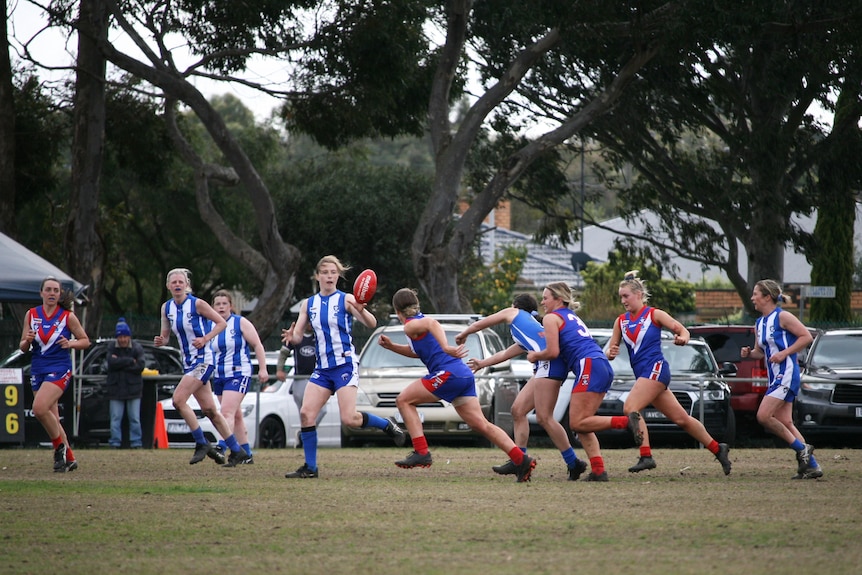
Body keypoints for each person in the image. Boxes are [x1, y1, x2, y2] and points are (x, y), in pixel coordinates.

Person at [383, 288, 537, 482]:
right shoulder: (415, 326)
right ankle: (520, 460)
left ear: (397, 310)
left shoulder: (410, 325)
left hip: (449, 373)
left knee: (403, 400)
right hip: (461, 374)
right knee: (481, 424)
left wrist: (447, 347)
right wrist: (392, 347)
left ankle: (421, 452)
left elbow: (432, 323)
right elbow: (418, 351)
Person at [281, 255, 405, 479]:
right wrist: (292, 336)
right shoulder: (308, 304)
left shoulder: (346, 299)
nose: (329, 276)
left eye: (333, 272)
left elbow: (372, 323)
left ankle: (386, 424)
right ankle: (310, 468)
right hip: (322, 369)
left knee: (350, 419)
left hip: (344, 365)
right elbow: (298, 336)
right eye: (325, 272)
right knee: (306, 414)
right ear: (317, 276)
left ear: (338, 276)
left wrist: (361, 309)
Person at [607, 270, 732, 475]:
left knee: (631, 407)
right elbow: (611, 349)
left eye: (626, 296)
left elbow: (682, 330)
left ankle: (646, 456)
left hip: (656, 370)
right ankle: (719, 449)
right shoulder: (620, 321)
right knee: (682, 419)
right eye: (620, 297)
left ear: (638, 295)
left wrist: (682, 337)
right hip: (645, 376)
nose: (623, 300)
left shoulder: (654, 314)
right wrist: (611, 352)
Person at [457, 293, 588, 480]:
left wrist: (465, 333)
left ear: (515, 306)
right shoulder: (527, 327)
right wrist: (482, 363)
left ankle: (573, 462)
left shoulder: (514, 313)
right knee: (518, 411)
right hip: (550, 365)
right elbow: (505, 353)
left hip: (549, 365)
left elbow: (483, 322)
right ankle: (520, 461)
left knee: (545, 418)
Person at [525, 283, 619, 481]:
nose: (542, 302)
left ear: (558, 299)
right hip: (599, 364)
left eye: (545, 298)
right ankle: (599, 471)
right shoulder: (572, 316)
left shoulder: (552, 317)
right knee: (583, 424)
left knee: (577, 422)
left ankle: (626, 422)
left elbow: (552, 352)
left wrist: (535, 355)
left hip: (588, 365)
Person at [154, 268, 243, 466]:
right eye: (174, 282)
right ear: (168, 286)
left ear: (187, 285)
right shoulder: (166, 308)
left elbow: (221, 323)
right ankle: (237, 451)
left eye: (181, 282)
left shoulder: (197, 304)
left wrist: (205, 339)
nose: (177, 285)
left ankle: (201, 442)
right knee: (210, 410)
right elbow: (167, 335)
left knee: (178, 400)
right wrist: (162, 340)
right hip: (189, 363)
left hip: (203, 360)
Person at [741, 279, 822, 479]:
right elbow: (760, 352)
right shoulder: (759, 323)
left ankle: (802, 449)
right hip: (774, 376)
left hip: (786, 373)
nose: (752, 298)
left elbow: (806, 337)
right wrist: (749, 353)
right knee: (785, 421)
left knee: (764, 416)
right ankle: (812, 466)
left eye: (755, 294)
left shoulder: (782, 316)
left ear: (767, 297)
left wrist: (784, 353)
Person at [20, 277, 90, 472]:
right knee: (50, 416)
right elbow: (23, 347)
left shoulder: (68, 316)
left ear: (59, 294)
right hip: (38, 368)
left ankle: (58, 447)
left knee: (39, 408)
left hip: (59, 367)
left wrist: (71, 343)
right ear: (41, 293)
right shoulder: (31, 314)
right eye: (48, 290)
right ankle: (69, 457)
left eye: (55, 290)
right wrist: (27, 340)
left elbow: (85, 341)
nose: (52, 293)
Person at [209, 290, 269, 466]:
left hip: (239, 372)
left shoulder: (239, 322)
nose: (221, 307)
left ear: (231, 306)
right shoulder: (210, 326)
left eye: (224, 304)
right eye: (217, 304)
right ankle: (247, 454)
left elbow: (257, 344)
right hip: (219, 375)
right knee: (235, 416)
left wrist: (263, 368)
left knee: (226, 412)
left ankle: (221, 446)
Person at [276, 322, 326, 433]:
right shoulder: (296, 335)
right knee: (304, 413)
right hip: (300, 379)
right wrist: (279, 369)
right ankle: (305, 437)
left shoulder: (319, 336)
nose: (309, 323)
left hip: (317, 379)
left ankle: (304, 432)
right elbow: (284, 353)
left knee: (322, 410)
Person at [106, 317, 144, 449]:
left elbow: (140, 366)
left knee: (135, 418)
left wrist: (120, 362)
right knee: (115, 418)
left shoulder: (137, 347)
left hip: (133, 390)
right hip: (116, 389)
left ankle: (136, 443)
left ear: (129, 336)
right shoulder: (111, 347)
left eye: (124, 336)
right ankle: (115, 443)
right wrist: (129, 361)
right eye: (120, 337)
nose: (122, 339)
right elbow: (110, 363)